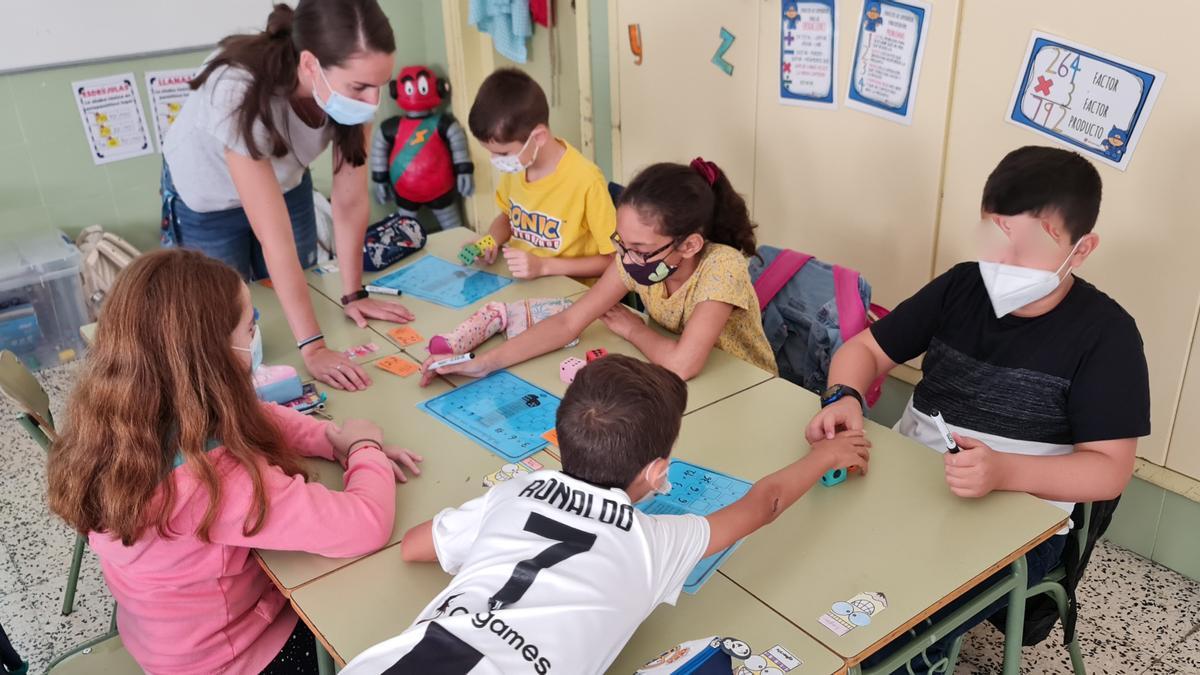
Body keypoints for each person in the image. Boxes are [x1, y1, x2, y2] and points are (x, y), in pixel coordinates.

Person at [806, 146, 1150, 671]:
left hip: (1020, 522)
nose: (1003, 266)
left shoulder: (1107, 335)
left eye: (1026, 249)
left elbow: (1109, 471)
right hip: (909, 480)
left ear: (1080, 250)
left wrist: (1004, 470)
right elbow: (864, 350)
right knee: (796, 561)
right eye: (997, 238)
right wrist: (844, 397)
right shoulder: (963, 285)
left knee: (895, 637)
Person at [342, 355, 869, 674]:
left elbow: (415, 546)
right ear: (658, 471)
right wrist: (824, 455)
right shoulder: (651, 542)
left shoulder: (518, 491)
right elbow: (765, 504)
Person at [47, 249, 424, 674]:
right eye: (250, 327)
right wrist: (364, 449)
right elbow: (365, 524)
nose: (256, 334)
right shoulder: (218, 483)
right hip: (232, 658)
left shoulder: (115, 416)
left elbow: (253, 413)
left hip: (158, 634)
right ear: (214, 355)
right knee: (373, 620)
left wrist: (328, 437)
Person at [162, 0, 413, 392]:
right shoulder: (235, 87)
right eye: (359, 87)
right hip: (207, 198)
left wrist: (353, 293)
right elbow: (273, 235)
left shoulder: (354, 95)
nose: (371, 102)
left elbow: (348, 201)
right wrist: (313, 348)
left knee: (296, 287)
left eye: (378, 85)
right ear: (311, 64)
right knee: (216, 318)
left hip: (285, 180)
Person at [422, 159, 777, 384]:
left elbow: (684, 364)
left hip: (749, 389)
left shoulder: (722, 266)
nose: (624, 257)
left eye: (638, 249)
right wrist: (483, 363)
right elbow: (567, 323)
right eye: (621, 242)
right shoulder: (637, 260)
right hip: (687, 387)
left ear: (689, 246)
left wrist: (633, 329)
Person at [467, 67, 616, 281]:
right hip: (523, 284)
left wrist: (544, 266)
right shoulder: (517, 167)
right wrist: (490, 241)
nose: (495, 160)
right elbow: (508, 218)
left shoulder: (586, 181)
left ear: (538, 137)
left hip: (571, 294)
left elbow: (612, 261)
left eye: (502, 153)